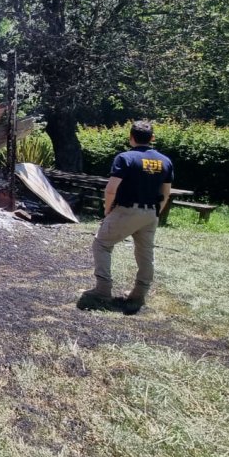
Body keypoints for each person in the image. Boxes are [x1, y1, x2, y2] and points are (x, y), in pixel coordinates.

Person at [79, 120, 174, 315]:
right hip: (150, 213)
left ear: (131, 137)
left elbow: (111, 189)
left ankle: (103, 290)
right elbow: (166, 192)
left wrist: (107, 210)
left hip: (126, 210)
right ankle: (139, 294)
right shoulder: (165, 161)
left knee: (102, 244)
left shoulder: (125, 158)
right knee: (145, 253)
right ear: (152, 138)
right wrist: (156, 212)